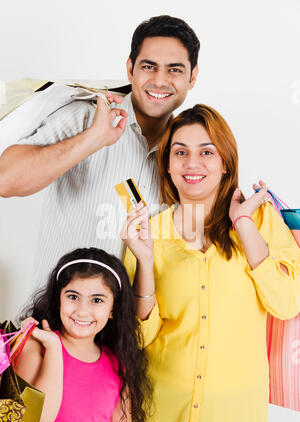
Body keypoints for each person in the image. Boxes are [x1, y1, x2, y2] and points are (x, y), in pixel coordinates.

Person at [121, 104, 300, 422]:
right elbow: (137, 338)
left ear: (225, 163)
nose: (192, 163)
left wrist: (243, 225)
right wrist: (144, 260)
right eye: (181, 152)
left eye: (207, 152)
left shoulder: (261, 221)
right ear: (168, 165)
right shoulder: (148, 233)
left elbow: (286, 302)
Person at [0, 15, 200, 291]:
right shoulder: (85, 117)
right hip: (57, 327)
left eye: (174, 70)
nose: (159, 80)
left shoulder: (192, 156)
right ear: (130, 69)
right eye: (149, 66)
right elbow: (6, 181)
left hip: (137, 330)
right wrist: (93, 139)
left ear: (193, 76)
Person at [15, 247, 152, 422]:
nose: (82, 311)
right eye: (73, 297)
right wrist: (53, 348)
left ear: (113, 309)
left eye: (97, 300)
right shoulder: (35, 347)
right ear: (58, 300)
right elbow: (39, 419)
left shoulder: (117, 363)